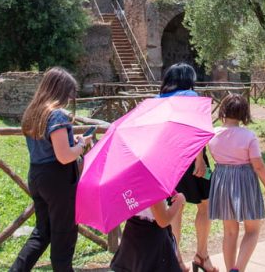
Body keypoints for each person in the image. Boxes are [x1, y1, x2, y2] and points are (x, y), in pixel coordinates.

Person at [10, 67, 92, 272]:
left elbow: (49, 144)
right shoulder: (57, 115)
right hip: (57, 180)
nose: (69, 99)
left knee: (42, 232)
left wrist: (71, 141)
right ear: (60, 91)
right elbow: (64, 157)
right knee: (63, 236)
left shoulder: (34, 112)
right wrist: (81, 145)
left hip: (37, 175)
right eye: (69, 93)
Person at [158, 63, 217, 272]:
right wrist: (200, 159)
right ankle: (202, 255)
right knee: (206, 205)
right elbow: (198, 129)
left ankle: (177, 260)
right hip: (193, 157)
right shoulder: (192, 97)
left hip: (168, 160)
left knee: (176, 207)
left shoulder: (159, 100)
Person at [208, 94, 265, 272]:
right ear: (244, 113)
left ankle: (230, 269)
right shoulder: (248, 135)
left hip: (222, 179)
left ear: (223, 111)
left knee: (229, 232)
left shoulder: (212, 134)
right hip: (245, 180)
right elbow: (258, 165)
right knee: (252, 229)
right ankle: (238, 269)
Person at [110, 193, 187, 272]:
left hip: (132, 233)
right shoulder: (151, 185)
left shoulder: (129, 182)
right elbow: (163, 220)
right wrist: (179, 201)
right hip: (151, 240)